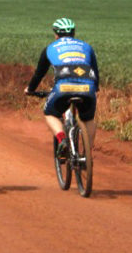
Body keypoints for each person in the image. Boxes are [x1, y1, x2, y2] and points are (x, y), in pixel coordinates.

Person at [24, 17, 99, 155]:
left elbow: (39, 74)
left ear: (56, 34)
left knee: (50, 114)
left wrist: (30, 89)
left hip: (63, 88)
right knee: (88, 119)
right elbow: (95, 71)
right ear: (74, 33)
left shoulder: (49, 48)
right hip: (88, 87)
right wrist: (96, 88)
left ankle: (62, 139)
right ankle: (87, 155)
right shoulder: (87, 47)